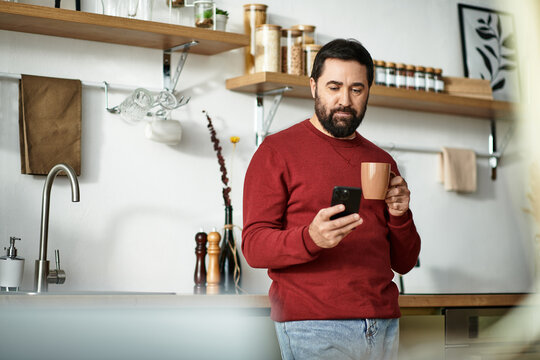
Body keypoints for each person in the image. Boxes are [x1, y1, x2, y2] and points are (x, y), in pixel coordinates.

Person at [242, 38, 421, 360]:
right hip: (313, 323)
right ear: (313, 87)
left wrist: (400, 215)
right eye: (334, 87)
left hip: (383, 320)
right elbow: (254, 246)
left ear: (368, 91)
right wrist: (311, 237)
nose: (345, 101)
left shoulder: (381, 160)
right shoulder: (276, 151)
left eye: (356, 89)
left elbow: (404, 263)